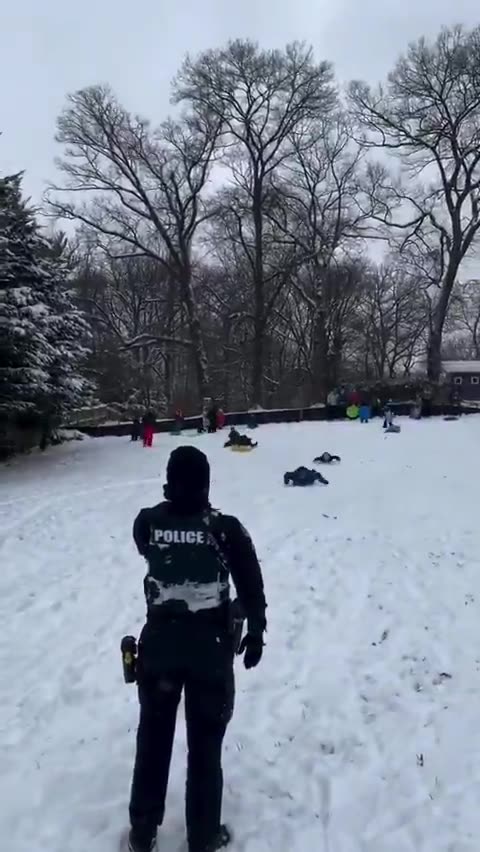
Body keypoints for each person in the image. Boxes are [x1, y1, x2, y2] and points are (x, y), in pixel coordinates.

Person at [128, 446, 267, 852]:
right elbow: (251, 584)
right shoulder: (225, 529)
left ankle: (142, 832)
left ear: (168, 481)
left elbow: (149, 548)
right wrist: (256, 631)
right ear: (206, 483)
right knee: (205, 747)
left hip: (160, 646)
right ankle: (203, 837)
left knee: (152, 741)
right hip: (210, 649)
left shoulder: (147, 523)